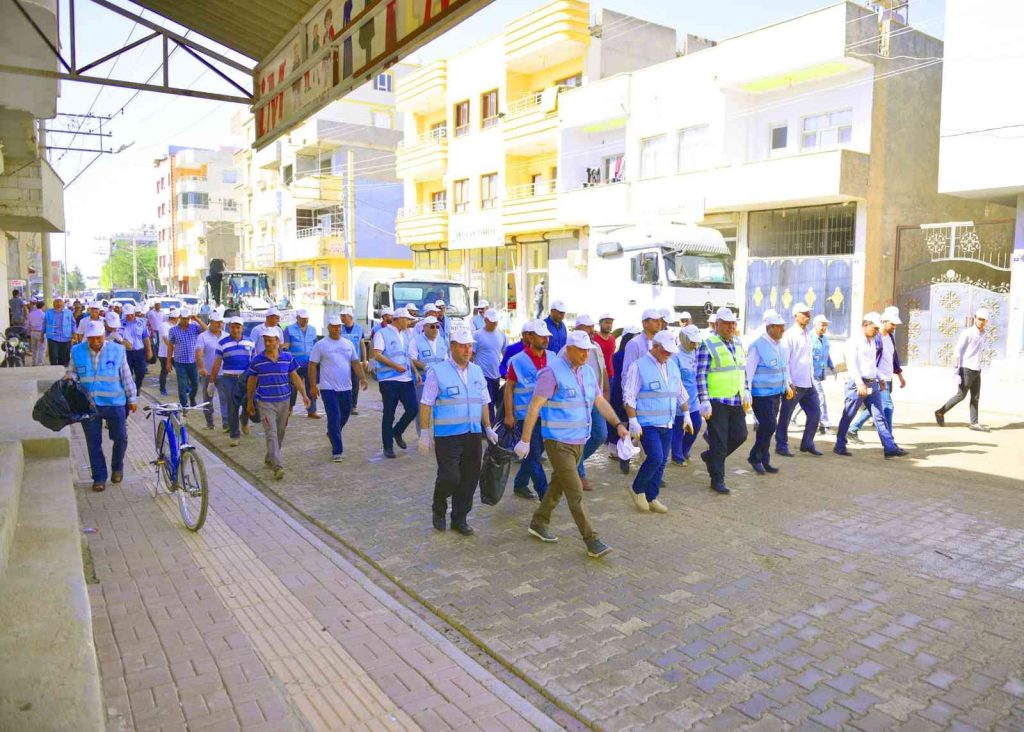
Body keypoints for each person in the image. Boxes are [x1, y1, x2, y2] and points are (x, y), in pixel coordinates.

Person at [515, 331, 629, 558]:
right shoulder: (551, 373)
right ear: (569, 349)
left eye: (588, 350)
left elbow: (599, 402)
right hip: (558, 442)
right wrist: (525, 441)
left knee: (558, 485)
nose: (586, 354)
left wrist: (617, 424)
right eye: (581, 350)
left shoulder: (587, 372)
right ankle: (592, 540)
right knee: (575, 491)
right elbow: (534, 407)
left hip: (580, 440)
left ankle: (538, 522)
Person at [417, 329, 497, 535]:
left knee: (470, 479)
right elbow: (426, 403)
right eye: (462, 345)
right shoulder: (438, 371)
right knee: (450, 476)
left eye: (469, 345)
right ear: (452, 346)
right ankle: (439, 505)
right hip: (447, 436)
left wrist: (488, 428)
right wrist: (424, 433)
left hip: (472, 434)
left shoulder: (477, 371)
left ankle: (459, 518)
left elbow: (485, 402)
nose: (467, 350)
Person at [65, 320, 137, 491]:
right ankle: (99, 477)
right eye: (91, 339)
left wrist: (132, 398)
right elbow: (72, 371)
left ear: (104, 336)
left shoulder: (117, 350)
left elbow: (126, 375)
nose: (95, 342)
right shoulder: (77, 351)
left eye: (98, 338)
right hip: (88, 405)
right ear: (86, 338)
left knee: (120, 437)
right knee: (93, 442)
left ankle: (117, 467)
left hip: (115, 402)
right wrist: (70, 378)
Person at [624, 330, 691, 513]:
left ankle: (651, 496)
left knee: (662, 462)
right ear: (654, 347)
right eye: (665, 351)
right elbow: (629, 395)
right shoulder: (639, 366)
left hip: (668, 422)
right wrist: (633, 420)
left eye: (671, 351)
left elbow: (680, 392)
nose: (668, 354)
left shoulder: (672, 366)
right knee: (655, 457)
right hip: (647, 422)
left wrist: (686, 414)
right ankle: (637, 489)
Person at [834, 313, 907, 458]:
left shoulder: (873, 341)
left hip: (872, 384)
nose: (876, 331)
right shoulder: (853, 342)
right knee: (848, 414)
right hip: (857, 385)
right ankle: (840, 444)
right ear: (865, 325)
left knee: (879, 416)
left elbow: (872, 363)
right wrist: (859, 383)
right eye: (874, 328)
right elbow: (852, 365)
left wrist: (879, 378)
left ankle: (889, 448)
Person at [696, 307, 751, 494]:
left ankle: (711, 457)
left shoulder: (737, 343)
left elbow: (741, 369)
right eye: (726, 323)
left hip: (735, 399)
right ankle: (717, 479)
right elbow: (701, 374)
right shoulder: (708, 343)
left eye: (733, 323)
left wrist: (746, 390)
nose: (730, 326)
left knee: (740, 435)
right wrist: (704, 399)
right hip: (716, 401)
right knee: (719, 442)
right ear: (717, 324)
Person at [246, 327, 310, 480]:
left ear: (278, 341)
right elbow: (251, 381)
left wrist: (304, 395)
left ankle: (270, 457)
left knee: (280, 432)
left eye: (270, 340)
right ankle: (277, 466)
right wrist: (250, 401)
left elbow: (294, 377)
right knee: (271, 433)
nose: (267, 343)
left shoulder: (287, 358)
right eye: (265, 340)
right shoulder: (257, 361)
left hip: (284, 401)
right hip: (265, 402)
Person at [557, 314, 609, 491]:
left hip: (593, 398)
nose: (591, 331)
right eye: (587, 327)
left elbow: (603, 370)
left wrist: (605, 391)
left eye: (592, 327)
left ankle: (573, 465)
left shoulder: (595, 348)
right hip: (574, 403)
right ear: (578, 328)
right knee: (577, 438)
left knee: (600, 434)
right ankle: (578, 472)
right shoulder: (565, 351)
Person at [309, 314, 368, 462]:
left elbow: (355, 362)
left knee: (345, 414)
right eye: (334, 327)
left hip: (346, 387)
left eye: (338, 327)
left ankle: (332, 432)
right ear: (328, 328)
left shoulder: (347, 344)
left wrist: (362, 378)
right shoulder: (321, 345)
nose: (337, 329)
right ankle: (337, 450)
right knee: (334, 416)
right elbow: (312, 365)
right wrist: (313, 386)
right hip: (328, 388)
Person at [504, 319, 552, 500]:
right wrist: (509, 414)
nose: (545, 340)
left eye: (547, 336)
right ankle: (544, 493)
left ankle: (520, 484)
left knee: (536, 452)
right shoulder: (517, 361)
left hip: (547, 414)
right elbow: (509, 388)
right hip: (525, 416)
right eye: (541, 336)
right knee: (533, 456)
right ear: (530, 337)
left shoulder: (553, 357)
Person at [849, 306, 906, 442]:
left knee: (875, 407)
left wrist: (899, 375)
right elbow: (870, 361)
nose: (894, 327)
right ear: (884, 322)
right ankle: (889, 441)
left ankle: (852, 429)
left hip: (887, 378)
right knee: (888, 407)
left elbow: (893, 357)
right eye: (892, 324)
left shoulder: (890, 338)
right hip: (878, 379)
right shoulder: (876, 338)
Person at [745, 311, 792, 475]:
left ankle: (764, 458)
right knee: (769, 425)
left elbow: (783, 368)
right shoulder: (758, 346)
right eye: (779, 327)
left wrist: (787, 385)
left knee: (769, 428)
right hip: (761, 394)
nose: (782, 330)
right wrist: (747, 391)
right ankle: (755, 457)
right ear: (769, 327)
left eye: (783, 327)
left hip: (776, 393)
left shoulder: (780, 345)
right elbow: (749, 371)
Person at [776, 303, 823, 457]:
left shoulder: (808, 335)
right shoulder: (789, 335)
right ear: (795, 315)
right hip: (794, 383)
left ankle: (807, 443)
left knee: (816, 413)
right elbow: (785, 361)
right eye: (804, 314)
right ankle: (781, 445)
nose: (807, 316)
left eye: (808, 314)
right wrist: (789, 382)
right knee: (786, 416)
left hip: (808, 383)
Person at [374, 307, 419, 458]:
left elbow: (408, 357)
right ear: (399, 319)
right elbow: (377, 355)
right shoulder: (382, 333)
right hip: (388, 380)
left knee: (413, 408)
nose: (409, 322)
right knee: (389, 413)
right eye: (407, 319)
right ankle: (388, 447)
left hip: (406, 379)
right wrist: (395, 366)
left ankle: (397, 431)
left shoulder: (407, 335)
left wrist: (415, 372)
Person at [935, 307, 990, 431]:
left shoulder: (983, 333)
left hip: (977, 368)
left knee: (975, 397)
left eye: (984, 320)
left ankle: (974, 423)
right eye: (980, 319)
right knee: (961, 395)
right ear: (975, 318)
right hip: (966, 368)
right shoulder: (968, 333)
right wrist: (956, 369)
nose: (981, 322)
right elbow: (957, 349)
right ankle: (940, 412)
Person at [209, 316, 254, 446]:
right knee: (232, 406)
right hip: (229, 379)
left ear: (242, 328)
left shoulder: (250, 342)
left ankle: (244, 420)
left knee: (247, 403)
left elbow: (254, 363)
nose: (235, 330)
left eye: (238, 327)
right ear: (229, 328)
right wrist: (212, 382)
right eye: (233, 327)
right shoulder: (222, 343)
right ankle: (234, 435)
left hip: (246, 379)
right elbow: (217, 364)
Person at [670, 324, 703, 466]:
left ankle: (684, 449)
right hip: (679, 400)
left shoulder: (697, 353)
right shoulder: (675, 356)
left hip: (694, 399)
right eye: (691, 340)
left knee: (696, 424)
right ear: (683, 338)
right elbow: (675, 380)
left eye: (696, 341)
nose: (694, 344)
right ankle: (677, 456)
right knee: (678, 428)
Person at [165, 308, 206, 408]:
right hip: (180, 362)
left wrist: (197, 319)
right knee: (182, 385)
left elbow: (206, 330)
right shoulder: (173, 330)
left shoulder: (194, 327)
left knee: (196, 384)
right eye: (184, 319)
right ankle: (184, 405)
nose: (186, 321)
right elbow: (170, 346)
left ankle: (192, 397)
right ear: (180, 318)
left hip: (193, 362)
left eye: (188, 319)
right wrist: (168, 362)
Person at [283, 309, 320, 419]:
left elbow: (316, 346)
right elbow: (286, 345)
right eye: (303, 319)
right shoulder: (289, 329)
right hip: (294, 364)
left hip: (309, 364)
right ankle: (289, 409)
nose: (305, 320)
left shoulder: (312, 330)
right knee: (292, 388)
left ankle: (312, 411)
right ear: (297, 318)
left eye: (306, 319)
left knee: (311, 386)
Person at [472, 309, 507, 423]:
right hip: (482, 375)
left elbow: (505, 354)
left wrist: (506, 370)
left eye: (496, 322)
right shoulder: (477, 335)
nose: (495, 324)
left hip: (496, 375)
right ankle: (489, 431)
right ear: (485, 320)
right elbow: (471, 355)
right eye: (492, 321)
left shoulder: (501, 335)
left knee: (496, 402)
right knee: (488, 403)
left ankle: (491, 428)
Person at [196, 312, 227, 430]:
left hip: (224, 373)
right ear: (211, 323)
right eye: (217, 323)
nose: (219, 325)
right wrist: (201, 368)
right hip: (208, 374)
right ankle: (209, 422)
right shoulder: (203, 337)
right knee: (208, 399)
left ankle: (226, 423)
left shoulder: (226, 336)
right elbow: (198, 354)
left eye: (221, 322)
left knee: (225, 399)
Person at [810, 314, 836, 434]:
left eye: (826, 325)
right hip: (810, 374)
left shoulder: (825, 338)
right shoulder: (809, 338)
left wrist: (831, 366)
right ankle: (824, 425)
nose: (824, 327)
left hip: (820, 373)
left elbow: (827, 354)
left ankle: (793, 418)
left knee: (808, 398)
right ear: (815, 325)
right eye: (822, 325)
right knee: (820, 398)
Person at [119, 304, 152, 393]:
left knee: (141, 372)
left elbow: (146, 338)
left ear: (134, 313)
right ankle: (129, 390)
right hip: (126, 353)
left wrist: (149, 351)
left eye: (131, 314)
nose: (129, 316)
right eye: (127, 315)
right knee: (127, 373)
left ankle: (137, 387)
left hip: (139, 352)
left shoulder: (141, 322)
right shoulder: (120, 323)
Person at [339, 307, 365, 415]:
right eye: (341, 316)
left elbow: (362, 344)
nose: (342, 318)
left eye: (343, 316)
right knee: (343, 383)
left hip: (355, 361)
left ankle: (353, 406)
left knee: (355, 383)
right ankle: (344, 405)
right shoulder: (339, 329)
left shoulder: (359, 329)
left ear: (350, 317)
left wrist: (365, 359)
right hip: (342, 361)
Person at [622, 309, 660, 378]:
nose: (659, 323)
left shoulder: (660, 342)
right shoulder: (634, 343)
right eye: (655, 321)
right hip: (641, 387)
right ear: (645, 323)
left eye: (659, 320)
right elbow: (628, 372)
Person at [156, 309, 179, 396]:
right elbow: (166, 340)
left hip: (176, 354)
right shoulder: (164, 326)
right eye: (178, 318)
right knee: (164, 372)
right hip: (164, 354)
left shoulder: (176, 326)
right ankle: (162, 389)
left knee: (180, 371)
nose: (179, 320)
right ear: (174, 318)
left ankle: (186, 387)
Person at [592, 313, 616, 379]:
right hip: (596, 374)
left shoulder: (612, 339)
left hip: (610, 375)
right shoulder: (594, 338)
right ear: (600, 323)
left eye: (610, 323)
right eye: (606, 323)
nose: (609, 325)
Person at [27, 299, 46, 366]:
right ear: (42, 306)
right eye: (44, 306)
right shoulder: (43, 314)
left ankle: (34, 363)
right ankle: (40, 363)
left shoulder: (31, 313)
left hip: (32, 332)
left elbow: (27, 324)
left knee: (34, 349)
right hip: (40, 333)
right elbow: (46, 324)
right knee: (41, 348)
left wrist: (28, 333)